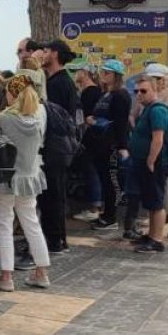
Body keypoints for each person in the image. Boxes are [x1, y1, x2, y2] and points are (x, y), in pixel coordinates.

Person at [0, 74, 51, 290]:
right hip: (30, 175)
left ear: (13, 94)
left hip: (6, 178)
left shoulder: (5, 118)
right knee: (32, 224)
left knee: (4, 224)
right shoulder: (39, 115)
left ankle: (6, 276)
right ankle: (42, 272)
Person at [38, 40, 79, 254]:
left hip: (55, 147)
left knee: (52, 194)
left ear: (54, 54)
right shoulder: (60, 81)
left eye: (45, 51)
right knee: (53, 194)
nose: (41, 54)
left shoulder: (58, 84)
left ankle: (54, 239)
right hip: (60, 148)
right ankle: (56, 238)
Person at [130, 76, 168, 253]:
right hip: (145, 162)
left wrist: (150, 160)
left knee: (156, 201)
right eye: (137, 91)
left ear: (155, 91)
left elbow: (158, 138)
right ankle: (151, 235)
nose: (139, 94)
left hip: (155, 163)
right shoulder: (147, 109)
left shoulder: (157, 110)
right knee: (150, 199)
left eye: (143, 91)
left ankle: (156, 239)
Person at [89, 60, 132, 232]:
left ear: (116, 76)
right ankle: (107, 214)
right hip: (101, 142)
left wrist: (122, 146)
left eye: (107, 73)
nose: (103, 75)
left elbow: (121, 123)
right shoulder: (105, 94)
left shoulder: (120, 96)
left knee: (111, 180)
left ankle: (111, 216)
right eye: (102, 72)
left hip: (112, 144)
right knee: (104, 179)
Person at [72, 60, 104, 221]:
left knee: (92, 171)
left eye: (77, 71)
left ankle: (95, 206)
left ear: (84, 73)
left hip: (90, 138)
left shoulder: (88, 93)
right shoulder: (96, 91)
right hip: (96, 138)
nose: (74, 74)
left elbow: (84, 117)